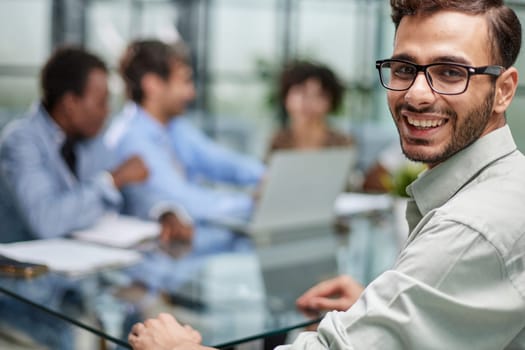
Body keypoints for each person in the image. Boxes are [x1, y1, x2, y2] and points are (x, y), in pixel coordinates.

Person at [128, 0, 525, 349]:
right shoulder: (503, 186)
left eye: (451, 72)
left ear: (504, 91)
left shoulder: (469, 228)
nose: (417, 94)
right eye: (404, 68)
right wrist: (381, 306)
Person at [0, 46, 190, 242]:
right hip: (22, 268)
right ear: (70, 104)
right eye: (101, 103)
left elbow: (129, 193)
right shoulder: (20, 141)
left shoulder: (92, 139)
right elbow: (46, 222)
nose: (107, 112)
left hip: (82, 259)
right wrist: (112, 180)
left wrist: (163, 212)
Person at [105, 39, 265, 224]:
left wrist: (266, 176)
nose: (191, 93)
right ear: (152, 85)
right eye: (184, 81)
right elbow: (184, 202)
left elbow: (218, 160)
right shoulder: (131, 138)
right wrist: (253, 204)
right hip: (159, 246)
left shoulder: (173, 127)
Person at [266, 60, 354, 158]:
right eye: (302, 92)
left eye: (319, 95)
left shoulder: (341, 143)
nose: (309, 102)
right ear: (286, 97)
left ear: (331, 102)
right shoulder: (278, 141)